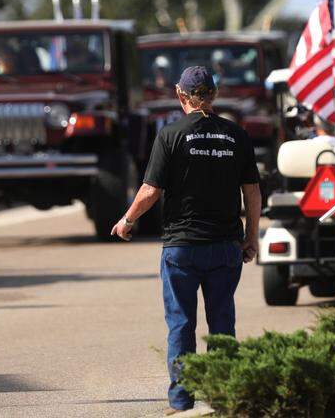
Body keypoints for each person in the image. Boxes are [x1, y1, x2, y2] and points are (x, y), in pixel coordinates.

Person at [112, 66, 261, 414]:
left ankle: (182, 400)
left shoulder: (170, 134)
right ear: (214, 94)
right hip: (225, 246)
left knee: (181, 323)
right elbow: (252, 192)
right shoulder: (236, 135)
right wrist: (251, 237)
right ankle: (224, 396)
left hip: (182, 248)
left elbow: (150, 191)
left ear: (181, 95)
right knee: (222, 322)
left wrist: (126, 220)